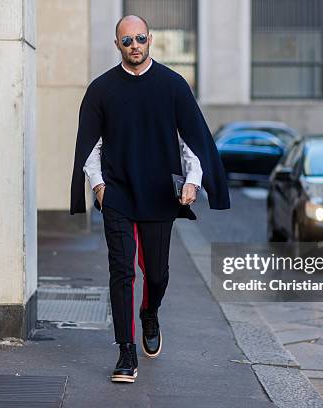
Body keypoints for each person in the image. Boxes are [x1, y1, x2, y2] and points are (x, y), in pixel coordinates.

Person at [70, 14, 230, 383]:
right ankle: (126, 351)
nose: (134, 46)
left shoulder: (173, 85)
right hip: (118, 192)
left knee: (156, 275)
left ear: (150, 39)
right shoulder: (101, 89)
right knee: (121, 271)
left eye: (139, 38)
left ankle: (150, 312)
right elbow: (90, 145)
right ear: (117, 45)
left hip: (159, 192)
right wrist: (98, 186)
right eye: (127, 41)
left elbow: (192, 140)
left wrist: (193, 180)